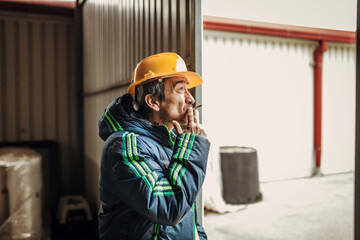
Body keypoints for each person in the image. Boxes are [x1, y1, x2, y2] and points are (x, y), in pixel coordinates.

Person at [98, 52, 210, 239]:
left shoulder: (172, 139)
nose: (190, 99)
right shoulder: (125, 146)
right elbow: (169, 206)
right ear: (153, 101)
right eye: (181, 89)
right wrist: (192, 147)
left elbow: (187, 211)